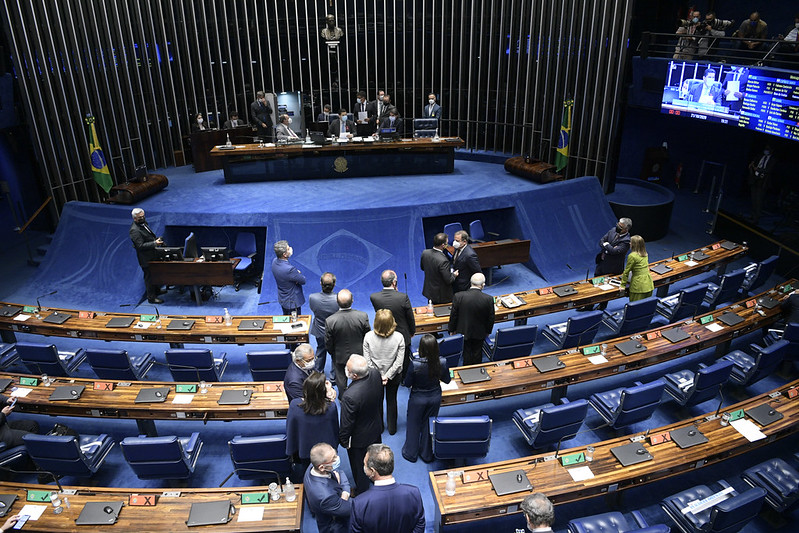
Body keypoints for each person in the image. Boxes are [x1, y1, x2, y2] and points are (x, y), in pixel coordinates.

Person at [350, 444, 425, 533]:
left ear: (373, 471)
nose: (364, 467)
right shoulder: (413, 493)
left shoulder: (360, 503)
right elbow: (419, 524)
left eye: (365, 464)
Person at [339, 355, 383, 495]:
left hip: (359, 439)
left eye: (348, 368)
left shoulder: (350, 396)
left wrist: (344, 441)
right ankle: (376, 480)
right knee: (375, 459)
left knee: (359, 466)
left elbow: (347, 423)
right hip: (375, 427)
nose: (345, 369)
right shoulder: (375, 373)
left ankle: (362, 491)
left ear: (355, 375)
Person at [402, 334, 450, 462]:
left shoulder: (415, 364)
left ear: (421, 348)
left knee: (413, 423)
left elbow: (407, 383)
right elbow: (447, 380)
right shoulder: (442, 362)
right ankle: (427, 454)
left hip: (418, 398)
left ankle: (410, 453)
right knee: (428, 423)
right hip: (435, 397)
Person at [363, 309, 405, 435]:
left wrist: (379, 376)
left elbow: (367, 361)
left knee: (378, 401)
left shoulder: (368, 337)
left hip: (374, 377)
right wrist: (388, 376)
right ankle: (392, 429)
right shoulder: (399, 337)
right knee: (392, 400)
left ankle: (379, 427)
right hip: (394, 376)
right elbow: (399, 362)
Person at [287, 372, 340, 472]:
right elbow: (335, 429)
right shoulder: (331, 407)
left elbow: (291, 429)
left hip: (304, 450)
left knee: (306, 473)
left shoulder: (295, 405)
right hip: (325, 451)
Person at [370, 270, 415, 378]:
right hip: (402, 333)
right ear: (394, 283)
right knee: (403, 357)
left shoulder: (374, 297)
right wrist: (412, 331)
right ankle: (403, 378)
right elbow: (410, 317)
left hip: (384, 331)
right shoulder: (402, 297)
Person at [325, 289, 370, 395]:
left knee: (340, 379)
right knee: (360, 377)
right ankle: (360, 395)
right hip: (359, 354)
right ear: (352, 300)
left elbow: (328, 343)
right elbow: (367, 337)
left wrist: (334, 353)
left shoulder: (330, 321)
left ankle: (343, 397)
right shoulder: (362, 316)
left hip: (339, 356)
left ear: (337, 302)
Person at [448, 273, 495, 366]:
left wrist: (451, 329)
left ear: (471, 283)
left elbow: (454, 315)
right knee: (477, 353)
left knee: (466, 352)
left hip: (463, 330)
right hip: (480, 332)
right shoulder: (489, 299)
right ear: (483, 285)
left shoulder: (458, 296)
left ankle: (466, 370)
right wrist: (488, 331)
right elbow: (491, 318)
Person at [304, 442, 351, 533]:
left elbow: (340, 472)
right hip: (334, 526)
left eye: (335, 454)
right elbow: (348, 509)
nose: (337, 458)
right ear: (321, 467)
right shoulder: (326, 497)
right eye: (333, 458)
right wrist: (344, 493)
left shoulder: (313, 466)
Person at [587, 217, 631, 311]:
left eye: (620, 226)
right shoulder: (612, 230)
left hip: (612, 267)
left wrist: (607, 245)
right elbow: (601, 241)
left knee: (606, 287)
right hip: (602, 263)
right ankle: (590, 304)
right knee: (595, 283)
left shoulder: (626, 241)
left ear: (626, 229)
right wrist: (609, 247)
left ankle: (602, 306)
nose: (617, 227)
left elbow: (614, 252)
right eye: (618, 224)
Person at [129, 208, 165, 304]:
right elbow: (140, 246)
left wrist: (155, 240)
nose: (142, 218)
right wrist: (154, 243)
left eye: (143, 216)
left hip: (152, 254)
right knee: (149, 277)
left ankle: (157, 290)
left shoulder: (143, 223)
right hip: (146, 258)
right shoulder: (134, 230)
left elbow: (148, 236)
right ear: (135, 218)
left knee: (155, 274)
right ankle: (151, 298)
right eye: (140, 217)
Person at [310, 272, 339, 381]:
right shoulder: (338, 299)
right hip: (334, 332)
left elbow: (314, 310)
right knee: (335, 353)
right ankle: (334, 378)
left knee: (320, 350)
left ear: (320, 283)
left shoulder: (312, 298)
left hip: (319, 331)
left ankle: (318, 374)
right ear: (334, 284)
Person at [421, 232, 457, 304]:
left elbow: (422, 268)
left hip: (429, 291)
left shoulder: (425, 253)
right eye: (447, 243)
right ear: (443, 245)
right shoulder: (443, 260)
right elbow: (449, 280)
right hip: (441, 295)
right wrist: (454, 274)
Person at [271, 240, 306, 315]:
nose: (290, 248)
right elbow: (303, 280)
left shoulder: (274, 261)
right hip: (293, 302)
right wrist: (297, 273)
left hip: (283, 299)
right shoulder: (290, 270)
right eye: (288, 248)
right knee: (294, 324)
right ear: (284, 254)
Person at [747, 145, 777, 223]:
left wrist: (759, 169)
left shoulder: (772, 160)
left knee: (758, 200)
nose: (766, 151)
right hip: (755, 179)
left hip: (763, 181)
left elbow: (768, 170)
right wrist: (752, 166)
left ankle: (757, 217)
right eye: (765, 149)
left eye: (768, 149)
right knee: (753, 198)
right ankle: (753, 215)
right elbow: (754, 163)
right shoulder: (759, 156)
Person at [620, 235, 654, 301]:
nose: (629, 243)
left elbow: (626, 272)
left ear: (634, 244)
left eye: (631, 242)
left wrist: (622, 285)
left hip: (638, 287)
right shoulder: (645, 254)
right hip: (649, 285)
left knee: (635, 308)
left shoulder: (632, 256)